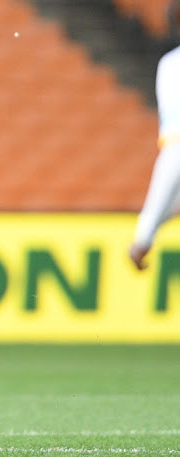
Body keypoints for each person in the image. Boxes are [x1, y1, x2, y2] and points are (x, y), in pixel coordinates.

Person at [130, 0, 180, 271]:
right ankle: (141, 243)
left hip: (174, 145)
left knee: (163, 198)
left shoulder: (168, 63)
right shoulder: (171, 64)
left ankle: (141, 243)